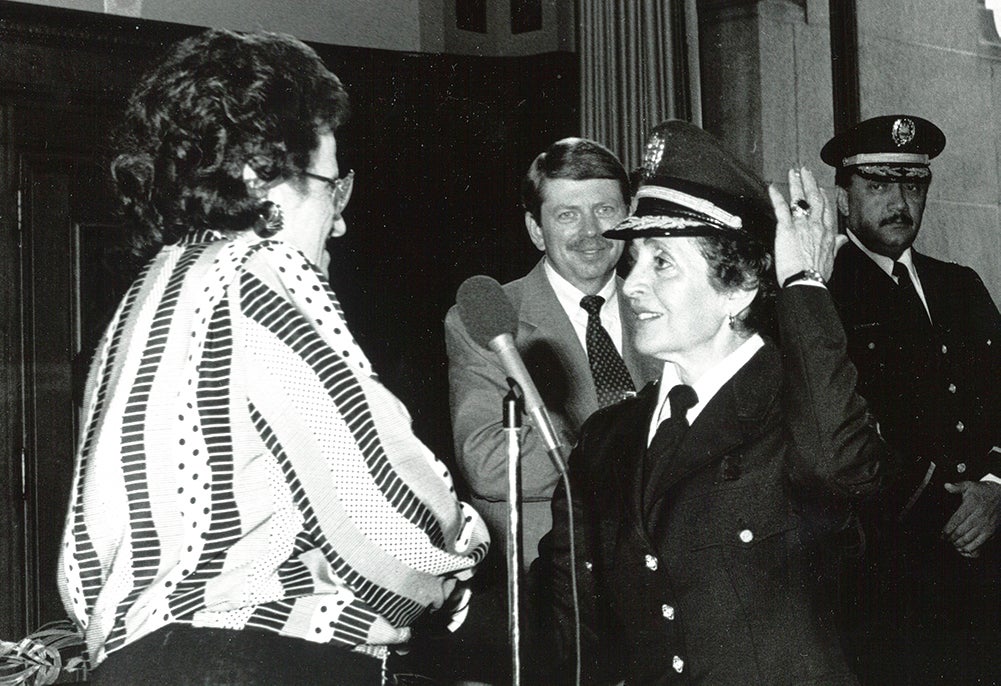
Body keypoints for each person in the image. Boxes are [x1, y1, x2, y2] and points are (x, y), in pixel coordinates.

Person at [56, 29, 489, 686]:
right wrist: (459, 555)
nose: (339, 222)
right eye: (329, 187)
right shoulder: (262, 274)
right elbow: (386, 514)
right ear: (260, 178)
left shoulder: (148, 294)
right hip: (244, 665)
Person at [536, 119, 894, 685]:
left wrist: (802, 282)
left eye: (662, 262)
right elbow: (569, 630)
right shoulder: (607, 440)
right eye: (635, 261)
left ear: (740, 284)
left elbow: (842, 466)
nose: (630, 286)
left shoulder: (799, 415)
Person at [822, 114, 1001, 684]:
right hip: (886, 576)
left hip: (985, 562)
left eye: (913, 185)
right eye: (878, 186)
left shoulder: (960, 285)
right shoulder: (819, 293)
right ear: (844, 196)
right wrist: (952, 511)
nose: (899, 202)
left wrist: (995, 487)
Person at [444, 137, 660, 568]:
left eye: (605, 210)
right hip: (549, 571)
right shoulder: (488, 320)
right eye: (567, 215)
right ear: (536, 230)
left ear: (629, 218)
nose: (590, 233)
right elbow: (487, 458)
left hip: (660, 560)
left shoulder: (665, 308)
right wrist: (628, 449)